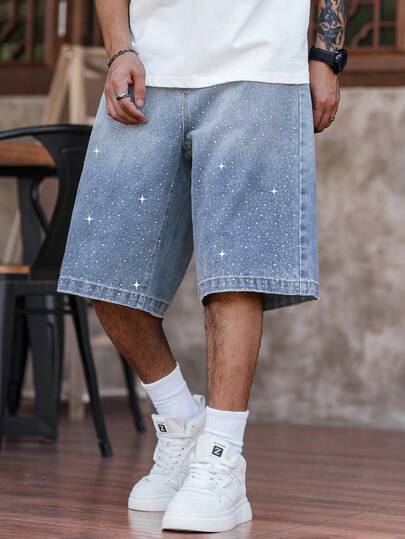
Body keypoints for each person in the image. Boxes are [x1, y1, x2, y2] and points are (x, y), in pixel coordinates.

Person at [57, 0, 348, 533]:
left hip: (259, 69)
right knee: (104, 269)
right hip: (148, 70)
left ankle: (221, 458)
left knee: (235, 275)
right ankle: (180, 421)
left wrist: (325, 56)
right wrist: (119, 48)